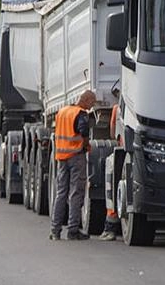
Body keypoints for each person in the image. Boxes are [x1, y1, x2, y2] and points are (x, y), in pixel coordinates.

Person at [50, 90, 96, 241]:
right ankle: (73, 230)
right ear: (86, 100)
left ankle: (55, 230)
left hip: (61, 156)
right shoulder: (81, 114)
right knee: (76, 192)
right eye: (92, 103)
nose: (92, 107)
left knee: (61, 193)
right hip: (76, 156)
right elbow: (83, 131)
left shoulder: (62, 111)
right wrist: (87, 145)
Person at [99, 91, 123, 241]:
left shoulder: (116, 109)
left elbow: (113, 133)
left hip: (121, 150)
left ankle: (110, 228)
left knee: (111, 189)